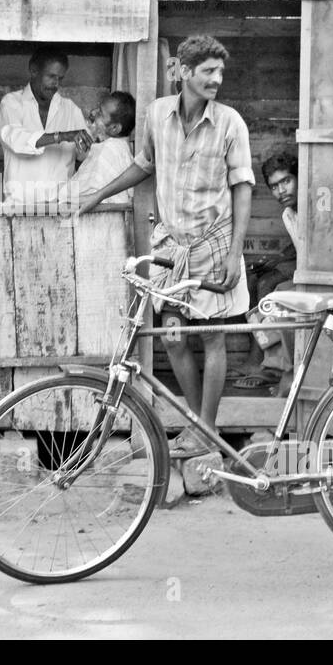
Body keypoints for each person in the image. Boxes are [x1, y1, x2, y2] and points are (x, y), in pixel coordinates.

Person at [77, 35, 254, 458]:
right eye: (209, 71)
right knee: (174, 338)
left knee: (212, 338)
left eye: (220, 71)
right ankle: (196, 421)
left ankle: (206, 431)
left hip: (214, 244)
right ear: (183, 72)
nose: (217, 79)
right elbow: (144, 164)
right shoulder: (157, 114)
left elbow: (243, 187)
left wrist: (234, 253)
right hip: (171, 249)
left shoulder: (231, 123)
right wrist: (99, 194)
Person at [236, 151, 300, 390]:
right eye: (274, 187)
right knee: (253, 281)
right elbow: (298, 246)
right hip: (297, 266)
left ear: (298, 177)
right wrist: (277, 258)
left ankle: (272, 365)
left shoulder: (311, 208)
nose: (281, 191)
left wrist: (279, 262)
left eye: (286, 181)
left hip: (314, 275)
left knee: (269, 289)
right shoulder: (289, 213)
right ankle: (261, 359)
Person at [0, 49, 91, 204]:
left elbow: (85, 156)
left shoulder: (71, 109)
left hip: (60, 205)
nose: (56, 84)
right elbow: (17, 141)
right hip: (20, 204)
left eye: (60, 78)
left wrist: (85, 147)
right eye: (51, 76)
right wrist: (61, 136)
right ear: (34, 70)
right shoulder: (11, 103)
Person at [55, 91, 136, 208]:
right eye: (97, 109)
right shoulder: (114, 147)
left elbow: (105, 202)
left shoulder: (111, 150)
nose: (93, 113)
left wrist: (59, 200)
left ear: (114, 128)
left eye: (100, 114)